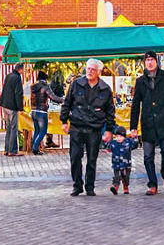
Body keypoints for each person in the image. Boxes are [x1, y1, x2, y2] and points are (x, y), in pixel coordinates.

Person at [61, 58, 116, 197]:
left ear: (99, 71)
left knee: (92, 159)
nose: (89, 71)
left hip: (94, 129)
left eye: (93, 69)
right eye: (88, 68)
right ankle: (77, 185)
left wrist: (109, 129)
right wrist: (64, 121)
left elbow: (110, 111)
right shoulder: (76, 84)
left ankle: (90, 186)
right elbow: (67, 103)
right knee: (75, 157)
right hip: (77, 127)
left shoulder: (105, 89)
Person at [131, 50, 164, 194]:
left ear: (156, 61)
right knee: (147, 155)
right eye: (147, 60)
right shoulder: (140, 81)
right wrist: (133, 126)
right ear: (144, 63)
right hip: (148, 122)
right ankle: (152, 184)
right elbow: (135, 104)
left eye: (152, 60)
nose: (149, 62)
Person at [29, 70, 62, 155]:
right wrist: (65, 100)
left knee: (37, 130)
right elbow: (53, 97)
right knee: (43, 131)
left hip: (33, 110)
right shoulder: (45, 86)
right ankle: (35, 148)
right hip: (42, 111)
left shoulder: (33, 86)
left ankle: (34, 147)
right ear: (45, 79)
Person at [0, 63, 25, 156]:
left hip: (4, 104)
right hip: (12, 106)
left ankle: (6, 149)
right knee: (14, 128)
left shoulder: (8, 76)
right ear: (20, 69)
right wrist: (20, 108)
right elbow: (18, 94)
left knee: (9, 128)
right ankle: (12, 151)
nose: (23, 72)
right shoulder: (17, 78)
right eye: (23, 70)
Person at [105, 126, 139, 195]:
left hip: (126, 165)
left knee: (126, 177)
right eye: (117, 136)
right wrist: (105, 140)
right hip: (116, 164)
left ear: (124, 136)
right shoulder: (114, 143)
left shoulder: (128, 142)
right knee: (116, 177)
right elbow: (108, 146)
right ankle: (115, 187)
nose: (118, 138)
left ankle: (125, 186)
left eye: (120, 136)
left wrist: (135, 138)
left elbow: (135, 145)